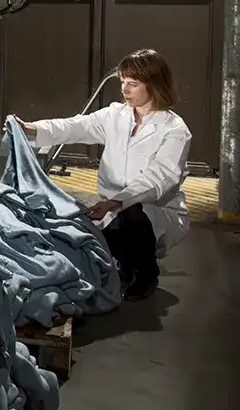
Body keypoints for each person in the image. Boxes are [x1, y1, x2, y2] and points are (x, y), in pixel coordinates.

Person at [15, 48, 192, 302]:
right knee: (100, 230)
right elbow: (74, 126)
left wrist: (116, 201)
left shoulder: (174, 130)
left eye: (133, 84)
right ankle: (125, 267)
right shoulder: (115, 116)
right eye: (122, 82)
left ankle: (147, 274)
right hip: (111, 208)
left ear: (154, 85)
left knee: (134, 213)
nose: (125, 90)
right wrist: (30, 128)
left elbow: (158, 179)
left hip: (154, 211)